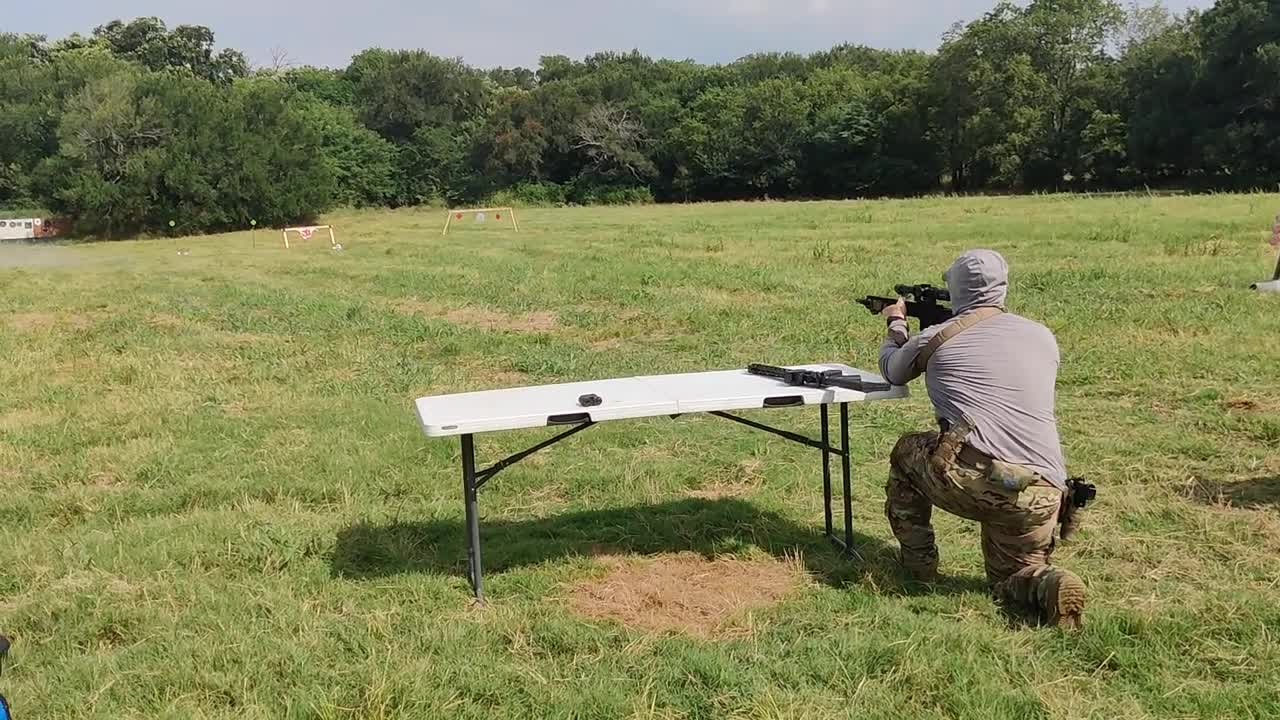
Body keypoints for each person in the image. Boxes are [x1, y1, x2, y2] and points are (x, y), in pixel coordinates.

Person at [877, 249, 1086, 628]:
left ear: (955, 289)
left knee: (907, 451)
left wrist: (896, 324)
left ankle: (917, 565)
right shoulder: (1041, 335)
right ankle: (1046, 583)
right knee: (1008, 578)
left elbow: (893, 370)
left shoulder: (936, 336)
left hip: (979, 480)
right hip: (1041, 490)